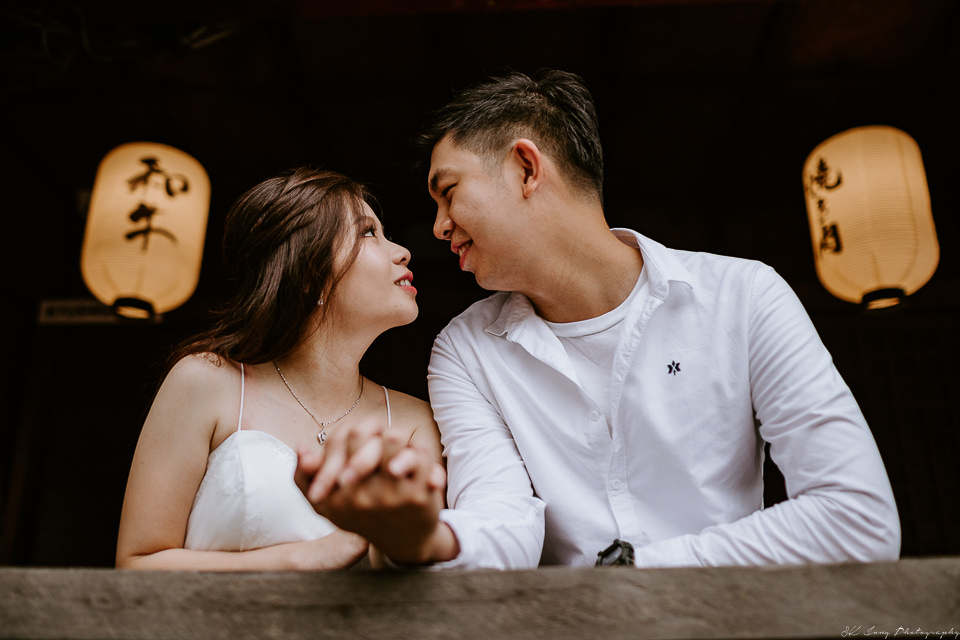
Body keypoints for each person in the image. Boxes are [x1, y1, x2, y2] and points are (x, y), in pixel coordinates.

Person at [297, 70, 901, 569]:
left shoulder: (743, 296)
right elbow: (499, 519)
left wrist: (638, 571)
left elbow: (858, 519)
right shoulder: (466, 349)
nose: (437, 227)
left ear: (526, 168)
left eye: (448, 191)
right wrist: (421, 538)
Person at [116, 167, 444, 571]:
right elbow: (137, 563)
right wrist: (302, 557)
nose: (402, 251)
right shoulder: (205, 382)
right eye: (367, 233)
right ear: (308, 274)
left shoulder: (415, 422)